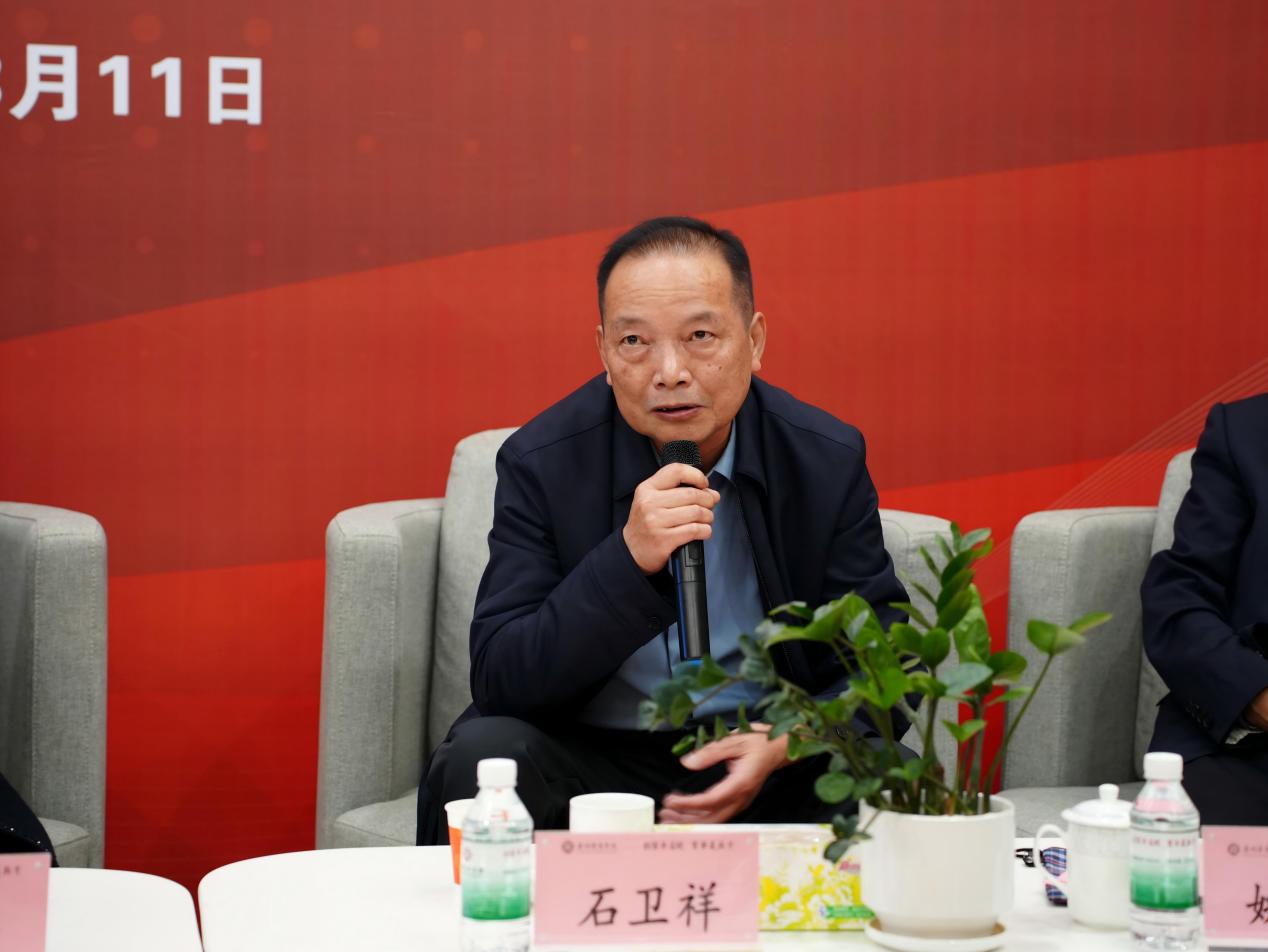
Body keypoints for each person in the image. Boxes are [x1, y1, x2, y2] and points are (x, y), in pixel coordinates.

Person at [416, 216, 908, 844]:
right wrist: (626, 560)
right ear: (604, 353)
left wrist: (795, 737)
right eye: (635, 342)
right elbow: (503, 678)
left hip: (763, 752)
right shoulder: (542, 462)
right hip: (593, 757)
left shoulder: (823, 459)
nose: (670, 371)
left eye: (700, 335)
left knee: (887, 773)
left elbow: (884, 661)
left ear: (754, 340)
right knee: (482, 757)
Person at [1142, 392, 1268, 824]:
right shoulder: (1247, 430)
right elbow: (1179, 595)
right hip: (1249, 751)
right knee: (1222, 862)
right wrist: (1255, 695)